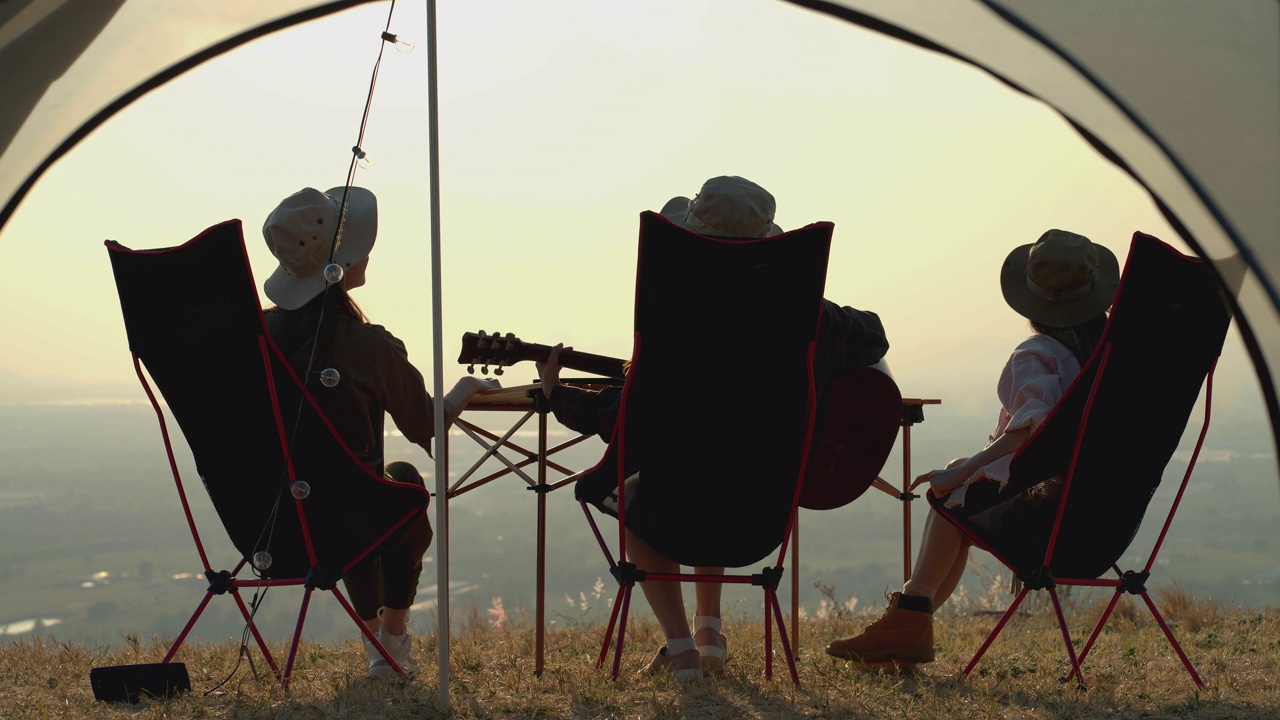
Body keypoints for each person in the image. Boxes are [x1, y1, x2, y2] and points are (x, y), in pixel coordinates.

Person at [537, 176, 890, 680]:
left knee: (641, 493)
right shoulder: (802, 313)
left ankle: (682, 649)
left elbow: (625, 420)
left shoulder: (673, 315)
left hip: (675, 512)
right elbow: (873, 334)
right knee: (719, 471)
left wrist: (556, 394)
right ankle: (710, 633)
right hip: (759, 517)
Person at [825, 228, 1118, 667]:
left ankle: (907, 620)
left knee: (948, 499)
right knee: (957, 492)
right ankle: (908, 621)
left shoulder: (1037, 354)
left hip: (1046, 519)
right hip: (1096, 513)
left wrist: (960, 475)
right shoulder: (1103, 357)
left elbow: (1029, 427)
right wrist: (968, 468)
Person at [261, 186, 496, 679]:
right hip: (350, 517)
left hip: (277, 519)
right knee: (399, 484)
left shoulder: (261, 338)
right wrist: (467, 389)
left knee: (353, 493)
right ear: (340, 265)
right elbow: (424, 424)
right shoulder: (366, 346)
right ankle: (391, 642)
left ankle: (379, 648)